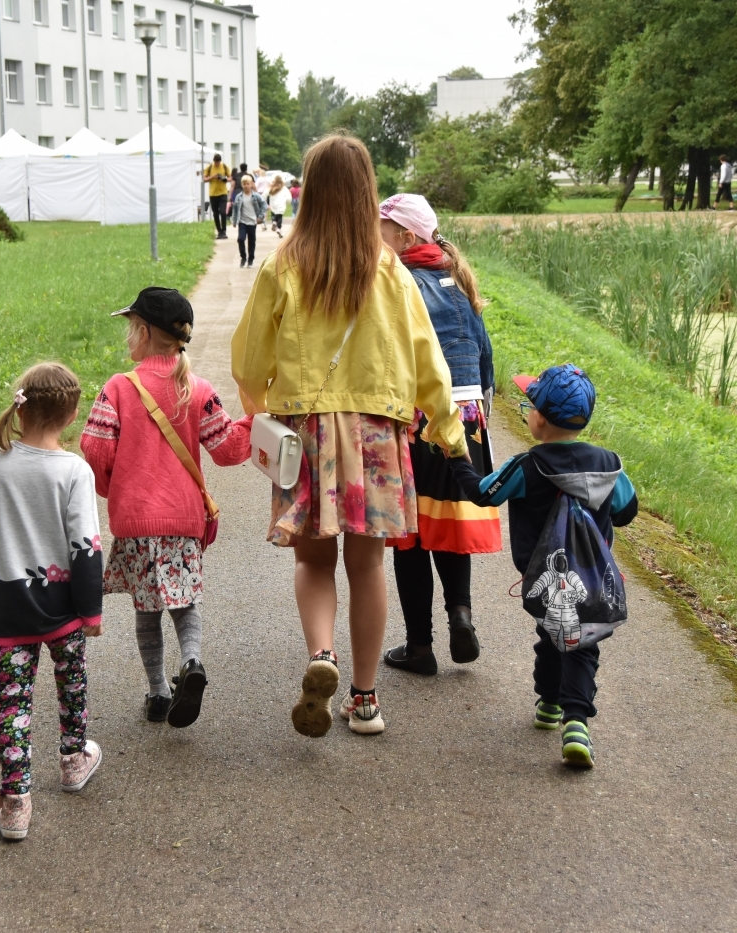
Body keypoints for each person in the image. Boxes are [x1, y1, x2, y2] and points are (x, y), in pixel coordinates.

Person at [232, 134, 466, 738]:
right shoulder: (390, 269)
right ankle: (365, 700)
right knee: (368, 567)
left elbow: (249, 355)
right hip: (376, 436)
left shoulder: (283, 262)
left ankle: (321, 654)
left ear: (310, 189)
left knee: (313, 560)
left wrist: (261, 407)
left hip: (304, 431)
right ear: (367, 191)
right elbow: (427, 358)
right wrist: (447, 430)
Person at [81, 287, 252, 728]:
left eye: (131, 329)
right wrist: (255, 420)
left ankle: (158, 693)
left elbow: (95, 449)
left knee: (147, 606)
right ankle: (191, 663)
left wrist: (112, 488)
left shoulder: (119, 388)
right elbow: (229, 449)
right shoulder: (197, 389)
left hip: (136, 520)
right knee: (184, 599)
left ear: (144, 332)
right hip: (183, 519)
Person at [460, 364, 638, 768]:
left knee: (552, 633)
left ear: (538, 417)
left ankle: (556, 708)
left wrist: (458, 456)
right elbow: (627, 512)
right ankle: (572, 718)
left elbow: (482, 494)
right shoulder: (609, 464)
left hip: (544, 575)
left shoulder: (528, 465)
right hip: (593, 578)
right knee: (582, 643)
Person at [0, 362, 104, 840]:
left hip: (10, 607)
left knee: (14, 704)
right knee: (72, 684)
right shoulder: (74, 471)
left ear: (21, 407)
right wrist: (91, 611)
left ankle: (16, 801)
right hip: (63, 606)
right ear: (71, 413)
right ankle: (73, 759)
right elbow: (86, 547)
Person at [374, 194, 500, 677]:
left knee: (411, 536)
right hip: (467, 417)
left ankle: (420, 646)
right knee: (446, 528)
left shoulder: (400, 281)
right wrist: (480, 418)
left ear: (406, 238)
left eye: (382, 231)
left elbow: (393, 356)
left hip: (419, 418)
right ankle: (461, 614)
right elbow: (485, 357)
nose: (374, 240)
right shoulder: (459, 280)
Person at [232, 174, 267, 267]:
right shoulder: (239, 197)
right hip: (242, 222)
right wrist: (234, 221)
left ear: (251, 184)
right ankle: (243, 258)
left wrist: (260, 217)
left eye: (248, 184)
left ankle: (250, 260)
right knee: (240, 239)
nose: (246, 186)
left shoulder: (256, 196)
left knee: (251, 241)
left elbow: (264, 205)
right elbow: (235, 209)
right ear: (242, 185)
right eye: (244, 184)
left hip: (252, 222)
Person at [205, 154, 231, 239]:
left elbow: (230, 178)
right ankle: (219, 231)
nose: (217, 164)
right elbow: (204, 179)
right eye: (216, 162)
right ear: (214, 161)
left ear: (220, 161)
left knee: (223, 212)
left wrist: (223, 178)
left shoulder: (224, 166)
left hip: (223, 192)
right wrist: (212, 177)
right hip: (213, 193)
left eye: (218, 162)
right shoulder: (209, 168)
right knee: (215, 213)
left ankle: (224, 231)